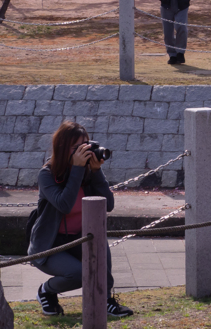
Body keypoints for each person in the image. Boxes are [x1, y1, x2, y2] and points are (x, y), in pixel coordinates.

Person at [28, 121, 133, 318]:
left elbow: (108, 205)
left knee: (101, 250)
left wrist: (96, 171)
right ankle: (46, 291)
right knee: (79, 274)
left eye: (87, 145)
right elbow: (64, 204)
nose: (84, 151)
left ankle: (105, 300)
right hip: (49, 245)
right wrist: (76, 169)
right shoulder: (47, 174)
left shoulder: (86, 171)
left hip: (79, 239)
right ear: (62, 147)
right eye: (78, 148)